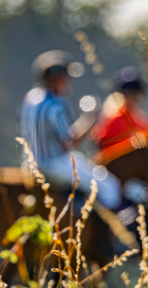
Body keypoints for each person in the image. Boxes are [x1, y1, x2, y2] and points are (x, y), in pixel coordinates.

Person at [19, 50, 122, 210]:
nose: (69, 82)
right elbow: (69, 143)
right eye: (66, 78)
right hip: (53, 163)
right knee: (110, 187)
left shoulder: (30, 98)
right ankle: (108, 233)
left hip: (29, 162)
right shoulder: (58, 103)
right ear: (57, 79)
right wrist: (90, 118)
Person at [91, 66, 148, 165]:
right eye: (132, 93)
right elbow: (100, 147)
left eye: (137, 93)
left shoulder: (138, 117)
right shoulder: (114, 117)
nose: (137, 97)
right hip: (114, 171)